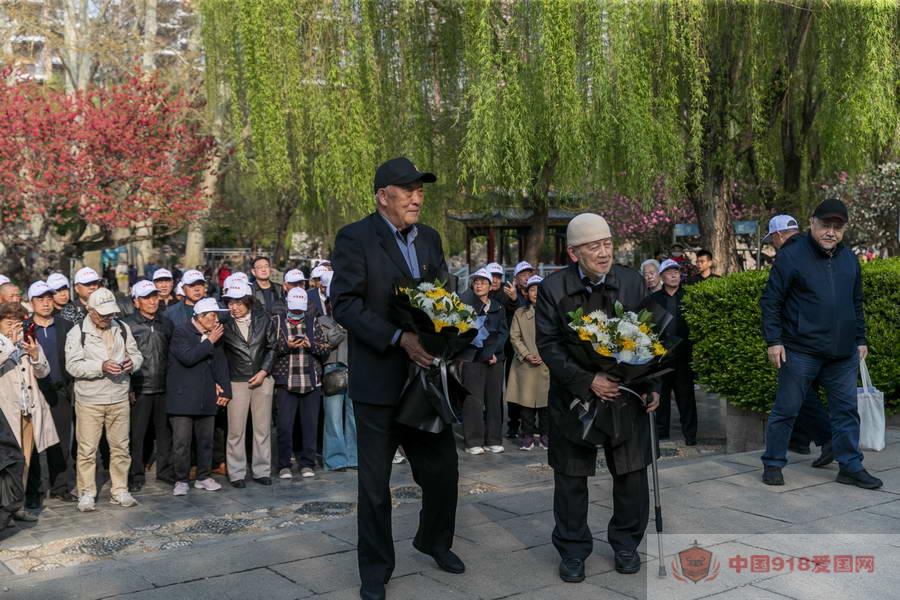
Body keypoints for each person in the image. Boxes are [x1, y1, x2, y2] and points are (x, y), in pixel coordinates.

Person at [331, 157, 463, 600]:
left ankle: (434, 541)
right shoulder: (355, 237)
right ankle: (375, 569)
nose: (417, 198)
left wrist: (454, 327)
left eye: (420, 190)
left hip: (425, 379)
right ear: (382, 196)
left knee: (443, 472)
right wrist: (398, 337)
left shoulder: (430, 238)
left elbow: (441, 294)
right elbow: (345, 305)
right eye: (408, 190)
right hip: (379, 382)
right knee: (374, 486)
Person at [534, 212, 660, 582]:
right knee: (571, 477)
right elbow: (549, 345)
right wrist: (588, 379)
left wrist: (651, 386)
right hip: (574, 396)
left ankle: (626, 544)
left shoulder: (632, 281)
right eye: (594, 247)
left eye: (607, 244)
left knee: (632, 473)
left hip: (625, 392)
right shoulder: (553, 288)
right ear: (574, 253)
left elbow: (650, 338)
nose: (604, 253)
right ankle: (573, 550)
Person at [760, 198, 879, 489]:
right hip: (800, 350)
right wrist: (774, 341)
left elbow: (855, 302)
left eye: (837, 228)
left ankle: (850, 466)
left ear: (844, 230)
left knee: (846, 412)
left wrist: (860, 338)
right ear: (812, 223)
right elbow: (771, 301)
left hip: (842, 353)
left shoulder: (849, 258)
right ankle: (773, 463)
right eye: (825, 225)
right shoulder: (791, 256)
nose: (831, 232)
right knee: (787, 410)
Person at [65, 288, 143, 512]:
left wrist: (132, 364)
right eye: (103, 314)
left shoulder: (122, 328)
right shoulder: (77, 333)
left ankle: (120, 489)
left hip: (119, 397)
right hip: (90, 400)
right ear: (90, 310)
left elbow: (136, 355)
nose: (108, 318)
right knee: (87, 450)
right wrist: (100, 366)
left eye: (110, 313)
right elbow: (72, 366)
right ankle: (86, 492)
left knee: (121, 448)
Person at [763, 215, 832, 463]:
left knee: (797, 394)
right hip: (826, 337)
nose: (773, 244)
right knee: (805, 392)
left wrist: (774, 340)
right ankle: (811, 440)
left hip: (798, 339)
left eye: (772, 239)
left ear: (779, 235)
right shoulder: (818, 250)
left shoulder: (787, 255)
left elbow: (772, 300)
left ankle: (827, 439)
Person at [0, 301, 59, 523]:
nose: (13, 328)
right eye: (8, 323)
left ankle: (17, 506)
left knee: (23, 462)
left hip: (27, 413)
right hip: (5, 416)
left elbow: (44, 372)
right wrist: (9, 344)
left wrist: (35, 355)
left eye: (17, 323)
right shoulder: (4, 345)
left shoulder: (28, 341)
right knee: (6, 465)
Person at [166, 298, 231, 496]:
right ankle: (181, 479)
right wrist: (210, 341)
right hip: (182, 398)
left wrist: (226, 390)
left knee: (206, 441)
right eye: (212, 315)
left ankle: (204, 476)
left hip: (206, 396)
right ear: (200, 317)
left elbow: (220, 364)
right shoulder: (181, 332)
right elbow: (188, 357)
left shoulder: (215, 335)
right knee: (182, 443)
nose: (216, 319)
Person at [24, 281, 77, 506]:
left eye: (48, 298)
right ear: (31, 303)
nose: (46, 303)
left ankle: (60, 487)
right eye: (40, 299)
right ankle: (33, 492)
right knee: (34, 445)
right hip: (33, 393)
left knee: (61, 443)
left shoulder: (66, 326)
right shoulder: (25, 328)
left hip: (59, 391)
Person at [221, 281, 276, 488]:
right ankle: (236, 473)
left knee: (262, 428)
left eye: (238, 302)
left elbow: (272, 347)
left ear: (248, 301)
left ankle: (262, 470)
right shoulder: (224, 323)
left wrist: (263, 371)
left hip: (262, 379)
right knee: (236, 430)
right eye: (230, 302)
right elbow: (220, 355)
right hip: (236, 381)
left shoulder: (264, 319)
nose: (233, 307)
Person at [123, 281, 175, 490]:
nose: (152, 301)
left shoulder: (167, 323)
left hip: (164, 386)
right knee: (137, 436)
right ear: (136, 302)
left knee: (165, 434)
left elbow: (172, 355)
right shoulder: (126, 325)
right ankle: (135, 475)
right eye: (146, 297)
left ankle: (165, 471)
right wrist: (129, 388)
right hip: (140, 388)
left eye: (154, 296)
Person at [271, 287, 325, 480]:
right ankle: (284, 464)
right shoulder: (277, 322)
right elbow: (270, 348)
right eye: (294, 308)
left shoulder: (313, 322)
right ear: (287, 304)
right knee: (284, 426)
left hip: (310, 380)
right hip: (286, 381)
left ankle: (307, 463)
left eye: (300, 309)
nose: (297, 312)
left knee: (309, 425)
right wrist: (286, 346)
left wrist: (312, 346)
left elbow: (324, 348)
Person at [460, 268, 509, 455]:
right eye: (476, 282)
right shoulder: (465, 306)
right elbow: (464, 332)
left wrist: (494, 352)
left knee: (494, 399)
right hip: (473, 358)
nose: (479, 285)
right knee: (473, 399)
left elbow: (503, 332)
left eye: (483, 282)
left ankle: (493, 439)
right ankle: (473, 441)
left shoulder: (498, 307)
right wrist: (483, 352)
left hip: (495, 359)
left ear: (490, 286)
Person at [650, 259, 698, 445]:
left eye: (676, 272)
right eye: (669, 272)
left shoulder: (689, 297)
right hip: (661, 358)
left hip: (684, 357)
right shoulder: (653, 299)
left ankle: (690, 436)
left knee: (686, 398)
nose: (673, 275)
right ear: (662, 276)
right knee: (661, 397)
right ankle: (662, 435)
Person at [317, 271, 357, 472]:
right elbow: (330, 341)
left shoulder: (356, 317)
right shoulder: (323, 321)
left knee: (354, 416)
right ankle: (335, 460)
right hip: (333, 369)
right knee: (333, 418)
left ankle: (354, 457)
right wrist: (342, 325)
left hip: (355, 367)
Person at [506, 275, 549, 451]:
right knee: (526, 403)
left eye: (539, 290)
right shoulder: (520, 313)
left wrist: (547, 355)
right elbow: (514, 337)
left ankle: (546, 435)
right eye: (532, 289)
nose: (535, 293)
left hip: (547, 364)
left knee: (546, 404)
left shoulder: (552, 312)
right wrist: (526, 354)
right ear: (526, 293)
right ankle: (527, 436)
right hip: (525, 365)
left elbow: (557, 336)